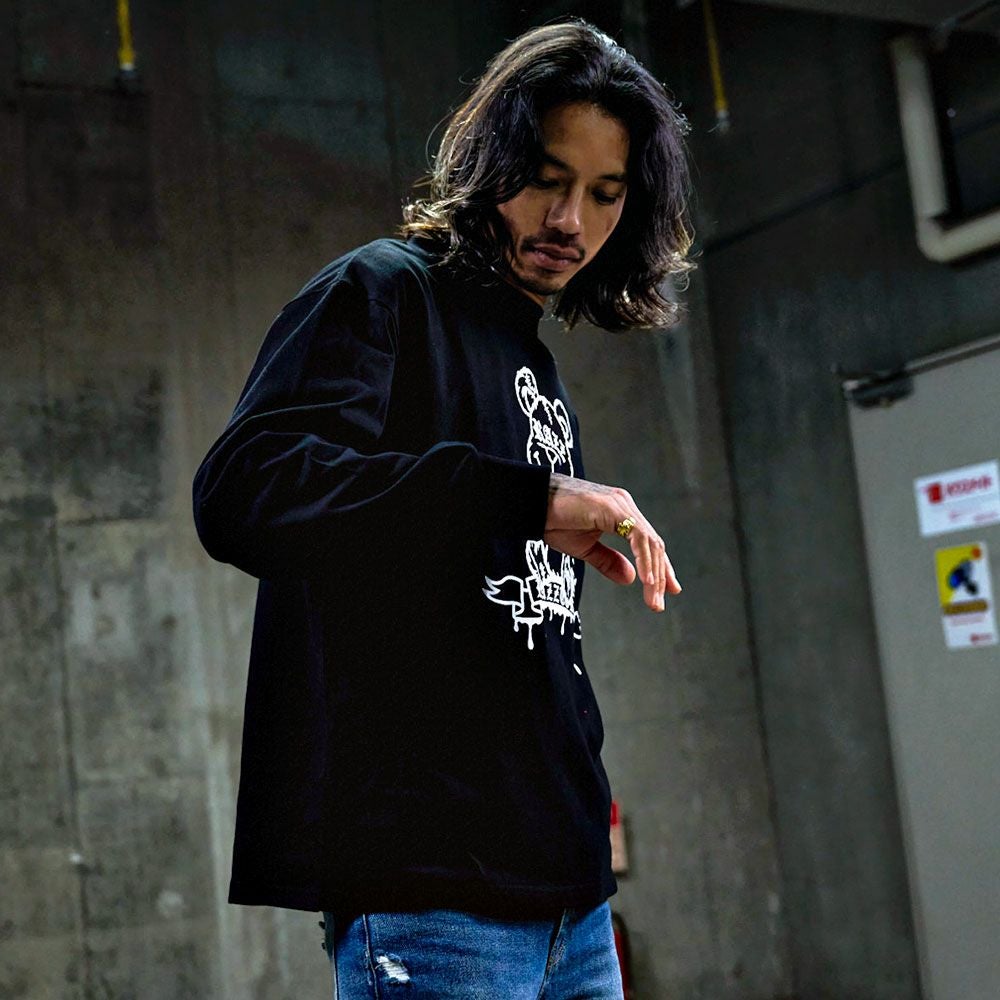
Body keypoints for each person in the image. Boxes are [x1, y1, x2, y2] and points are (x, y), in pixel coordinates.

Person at [192, 17, 692, 1000]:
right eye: (546, 178)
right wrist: (524, 496)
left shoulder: (531, 361)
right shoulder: (380, 292)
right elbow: (245, 488)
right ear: (491, 161)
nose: (570, 220)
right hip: (432, 893)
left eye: (604, 193)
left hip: (573, 901)